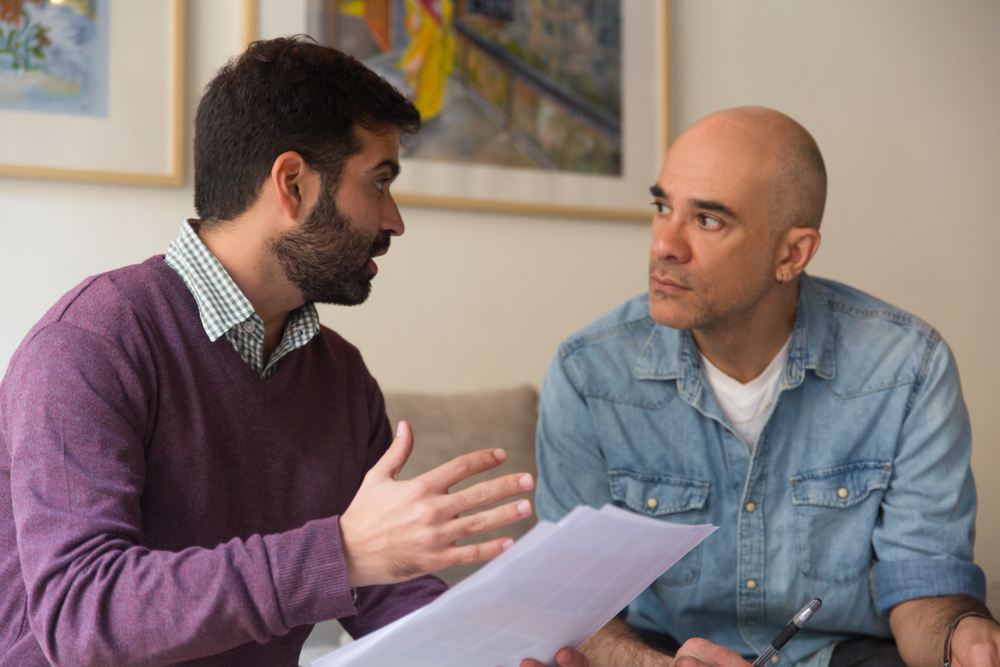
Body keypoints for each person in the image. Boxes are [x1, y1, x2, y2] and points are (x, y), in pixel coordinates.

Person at [0, 37, 582, 667]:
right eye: (379, 182)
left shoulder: (340, 376)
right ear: (293, 184)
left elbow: (385, 593)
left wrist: (505, 655)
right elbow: (82, 616)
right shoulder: (91, 344)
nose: (394, 219)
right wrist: (339, 552)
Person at [531, 107, 1000, 667]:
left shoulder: (907, 368)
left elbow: (924, 589)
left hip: (846, 656)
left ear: (791, 254)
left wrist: (963, 639)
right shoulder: (588, 374)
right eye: (662, 208)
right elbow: (575, 609)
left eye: (707, 220)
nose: (664, 246)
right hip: (663, 657)